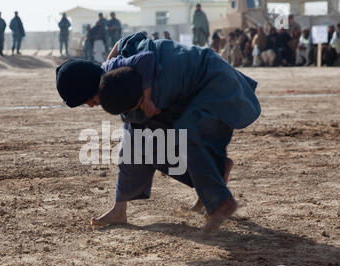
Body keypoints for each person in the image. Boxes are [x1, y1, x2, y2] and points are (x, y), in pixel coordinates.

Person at [55, 32, 261, 236]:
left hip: (215, 85)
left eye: (87, 99)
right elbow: (124, 40)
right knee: (143, 143)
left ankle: (221, 202)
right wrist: (120, 204)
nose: (90, 106)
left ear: (94, 86)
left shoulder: (151, 89)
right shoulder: (118, 73)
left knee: (185, 137)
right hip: (189, 90)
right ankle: (121, 209)